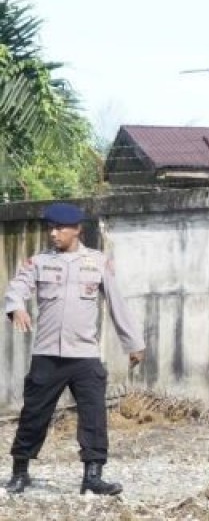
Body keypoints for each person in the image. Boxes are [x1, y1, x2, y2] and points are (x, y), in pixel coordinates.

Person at [3, 203, 145, 497]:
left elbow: (117, 304)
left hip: (84, 356)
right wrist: (16, 307)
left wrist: (133, 344)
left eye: (60, 228)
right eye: (50, 228)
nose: (53, 234)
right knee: (33, 415)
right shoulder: (39, 262)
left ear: (77, 229)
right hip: (47, 355)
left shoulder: (97, 262)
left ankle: (92, 476)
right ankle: (20, 472)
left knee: (94, 416)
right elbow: (17, 288)